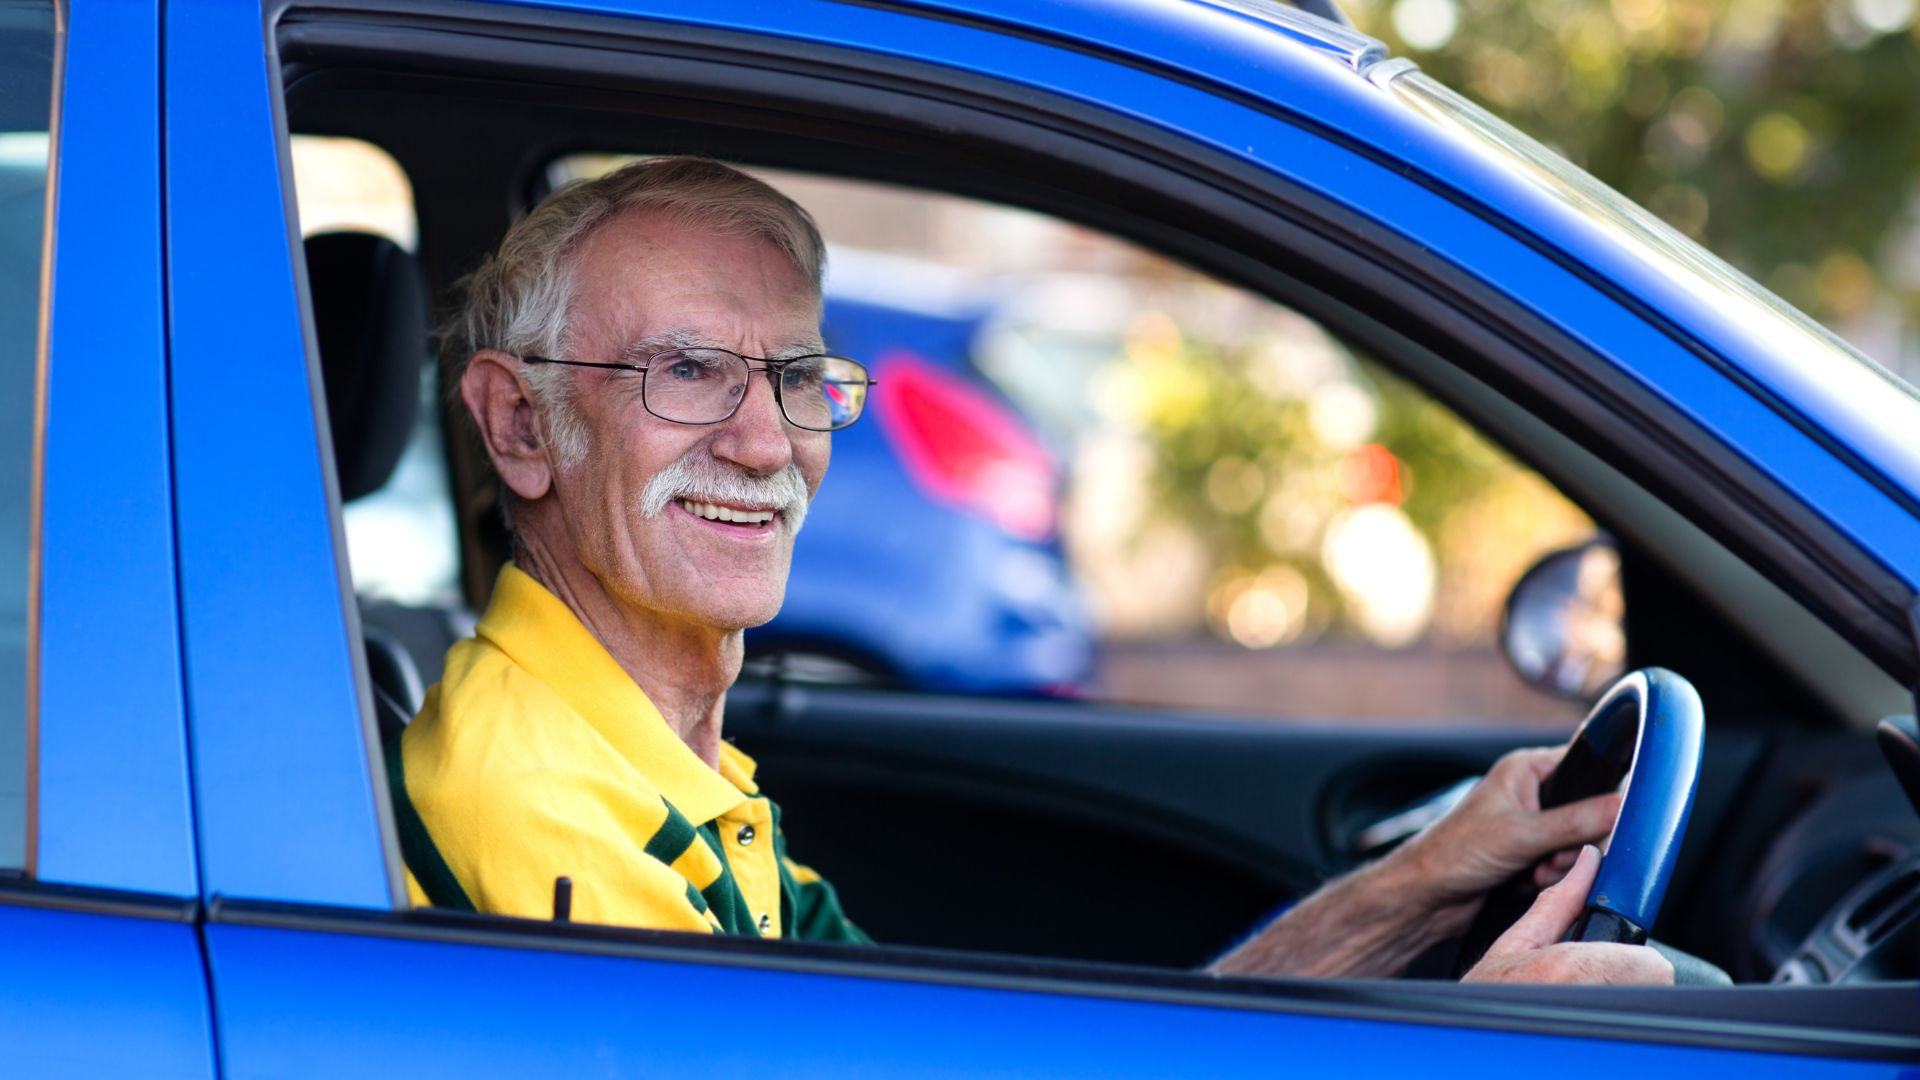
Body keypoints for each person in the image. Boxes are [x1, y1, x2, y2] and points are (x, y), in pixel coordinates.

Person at [390, 156, 1672, 985]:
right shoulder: (546, 813)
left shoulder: (647, 764)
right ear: (516, 427)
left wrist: (1413, 888)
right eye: (687, 372)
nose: (768, 439)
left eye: (795, 377)